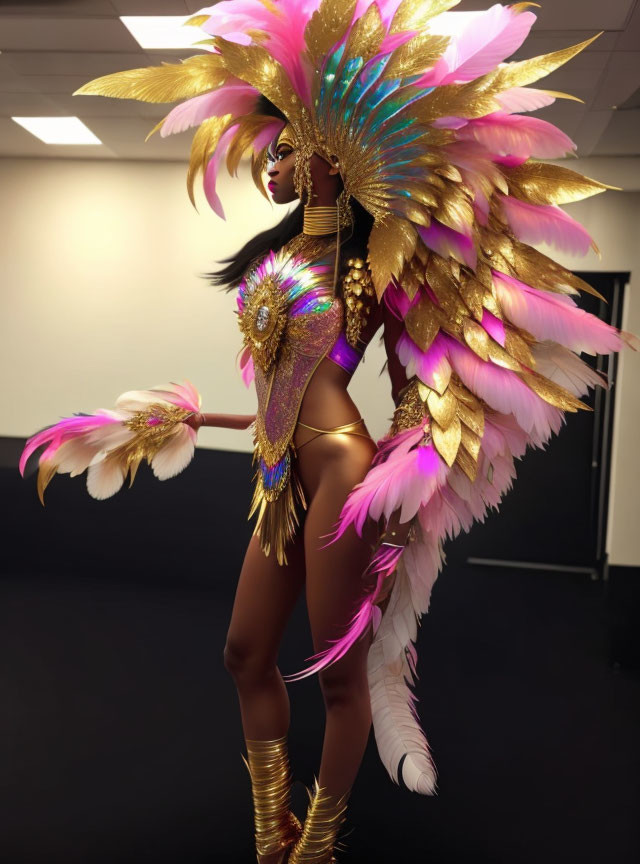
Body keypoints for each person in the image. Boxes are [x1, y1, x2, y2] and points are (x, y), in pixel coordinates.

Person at [18, 3, 638, 862]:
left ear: (329, 156)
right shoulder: (284, 255)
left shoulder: (369, 265)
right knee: (244, 654)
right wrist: (205, 416)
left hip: (341, 468)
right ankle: (271, 825)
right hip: (278, 471)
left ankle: (314, 846)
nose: (270, 161)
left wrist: (412, 460)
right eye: (274, 148)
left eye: (286, 147)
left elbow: (389, 377)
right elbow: (285, 381)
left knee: (338, 673)